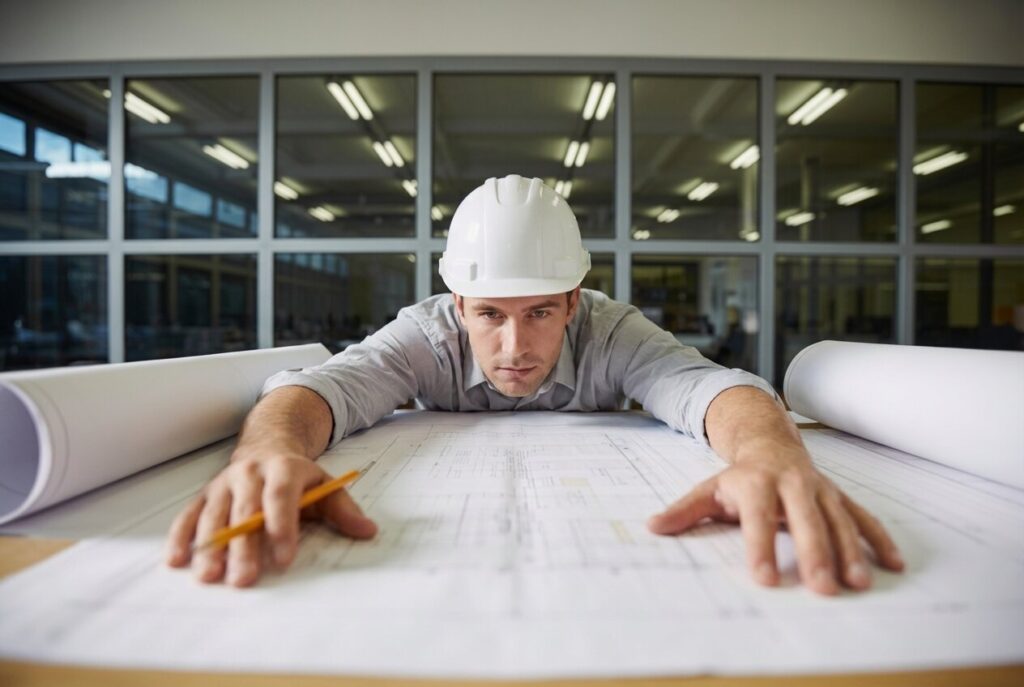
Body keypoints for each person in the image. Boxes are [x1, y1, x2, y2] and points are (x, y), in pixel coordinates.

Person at [166, 174, 904, 594]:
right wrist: (270, 451)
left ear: (574, 301)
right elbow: (324, 388)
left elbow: (707, 388)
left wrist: (769, 457)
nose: (515, 346)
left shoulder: (610, 331)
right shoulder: (425, 336)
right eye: (489, 314)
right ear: (457, 304)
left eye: (541, 312)